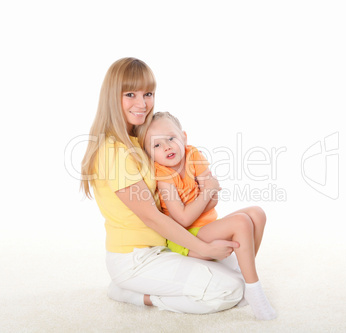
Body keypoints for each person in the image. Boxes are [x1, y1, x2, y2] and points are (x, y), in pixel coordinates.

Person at [80, 57, 245, 315]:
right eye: (130, 94)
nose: (142, 103)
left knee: (239, 279)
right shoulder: (113, 152)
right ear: (113, 96)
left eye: (148, 93)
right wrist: (202, 248)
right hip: (135, 259)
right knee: (229, 290)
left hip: (164, 247)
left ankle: (143, 286)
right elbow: (152, 217)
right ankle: (135, 295)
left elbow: (176, 193)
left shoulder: (139, 140)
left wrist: (204, 188)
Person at [136, 111, 277, 320]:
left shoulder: (193, 155)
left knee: (257, 213)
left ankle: (241, 274)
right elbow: (183, 219)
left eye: (171, 138)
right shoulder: (163, 174)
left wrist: (205, 196)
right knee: (241, 222)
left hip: (206, 228)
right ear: (149, 153)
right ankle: (253, 288)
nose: (166, 146)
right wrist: (207, 191)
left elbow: (214, 199)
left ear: (183, 137)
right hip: (186, 238)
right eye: (156, 145)